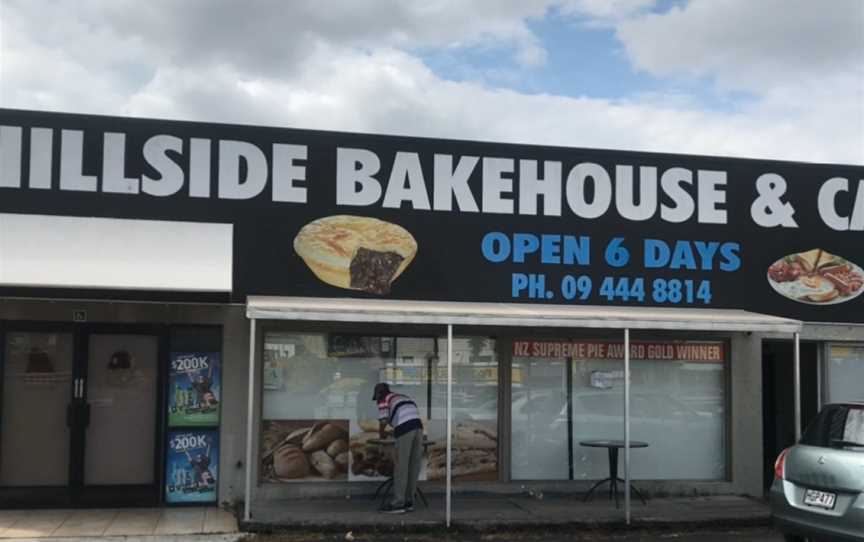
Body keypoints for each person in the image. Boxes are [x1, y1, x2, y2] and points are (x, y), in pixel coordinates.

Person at [373, 382, 423, 514]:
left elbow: (383, 421)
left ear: (379, 394)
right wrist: (395, 430)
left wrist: (381, 434)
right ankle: (408, 501)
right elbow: (406, 416)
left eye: (376, 398)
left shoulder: (384, 399)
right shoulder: (402, 396)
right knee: (413, 466)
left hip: (405, 428)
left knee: (401, 466)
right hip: (418, 427)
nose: (377, 401)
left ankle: (398, 503)